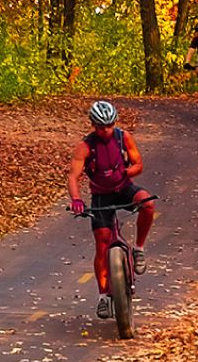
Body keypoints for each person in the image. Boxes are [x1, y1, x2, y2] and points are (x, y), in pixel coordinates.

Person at [66, 101, 158, 319]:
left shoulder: (123, 137)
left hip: (124, 188)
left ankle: (139, 249)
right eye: (99, 127)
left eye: (108, 126)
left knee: (147, 203)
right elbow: (73, 176)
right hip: (100, 196)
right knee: (102, 243)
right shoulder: (85, 147)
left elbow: (138, 164)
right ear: (93, 125)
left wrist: (125, 173)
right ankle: (103, 296)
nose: (105, 131)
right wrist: (77, 199)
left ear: (114, 123)